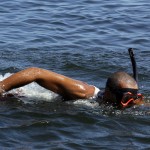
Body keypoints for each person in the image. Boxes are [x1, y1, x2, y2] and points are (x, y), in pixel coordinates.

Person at [0, 67, 144, 109]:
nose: (130, 103)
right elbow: (35, 72)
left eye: (133, 98)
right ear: (107, 93)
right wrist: (2, 87)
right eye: (126, 99)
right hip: (19, 89)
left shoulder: (129, 102)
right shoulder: (83, 92)